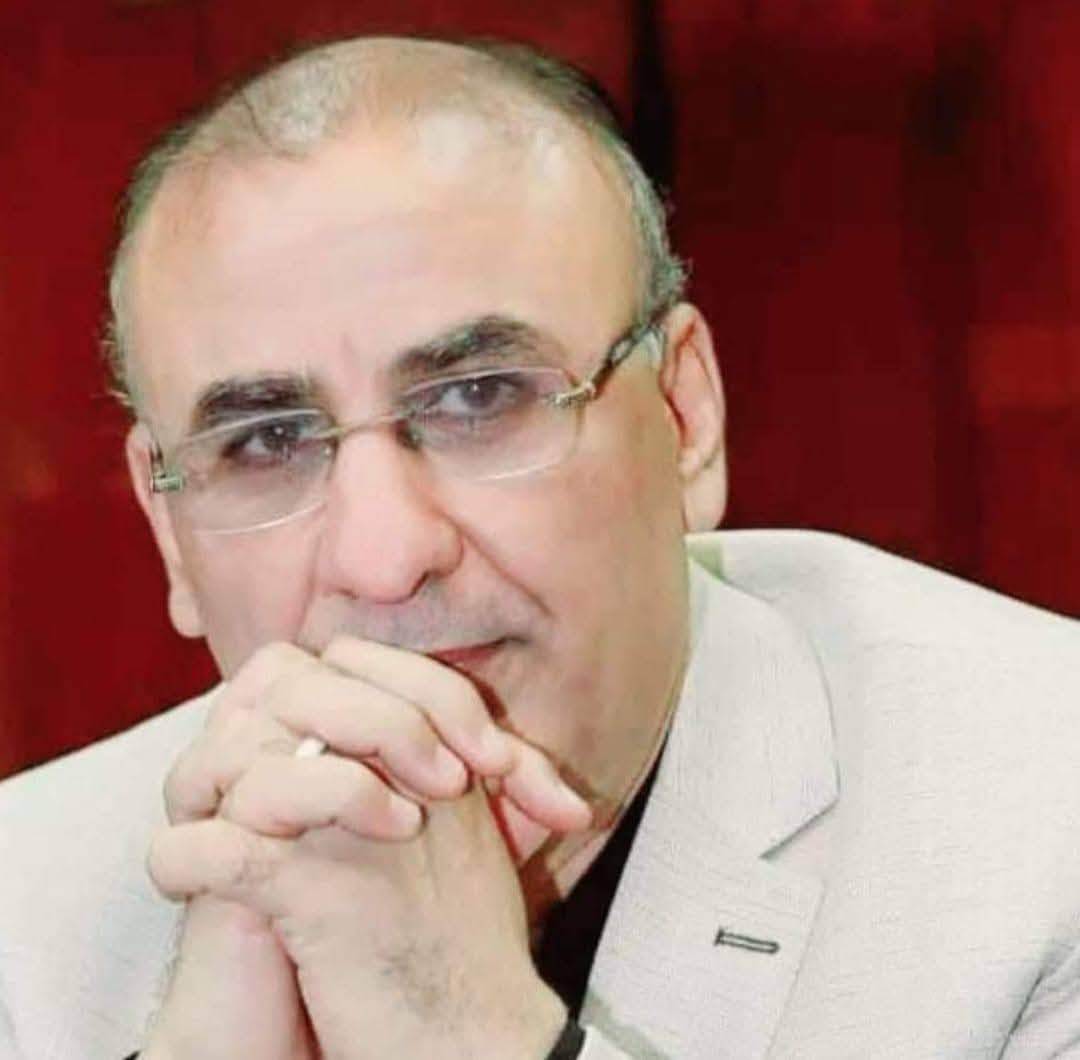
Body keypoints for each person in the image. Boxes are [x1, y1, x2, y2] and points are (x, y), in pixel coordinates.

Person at [2, 33, 1079, 1060]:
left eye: (478, 397)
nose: (384, 558)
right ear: (169, 529)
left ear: (685, 418)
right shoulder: (29, 923)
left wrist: (466, 1029)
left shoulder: (1042, 833)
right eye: (266, 441)